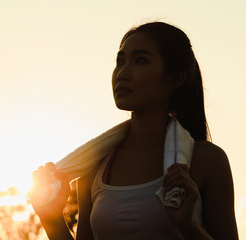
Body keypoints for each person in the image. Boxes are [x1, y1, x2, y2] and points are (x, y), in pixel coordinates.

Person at [29, 22, 238, 239]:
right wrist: (51, 220)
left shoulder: (207, 160)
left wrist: (186, 226)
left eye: (140, 61)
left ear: (175, 78)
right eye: (120, 62)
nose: (122, 73)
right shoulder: (95, 165)